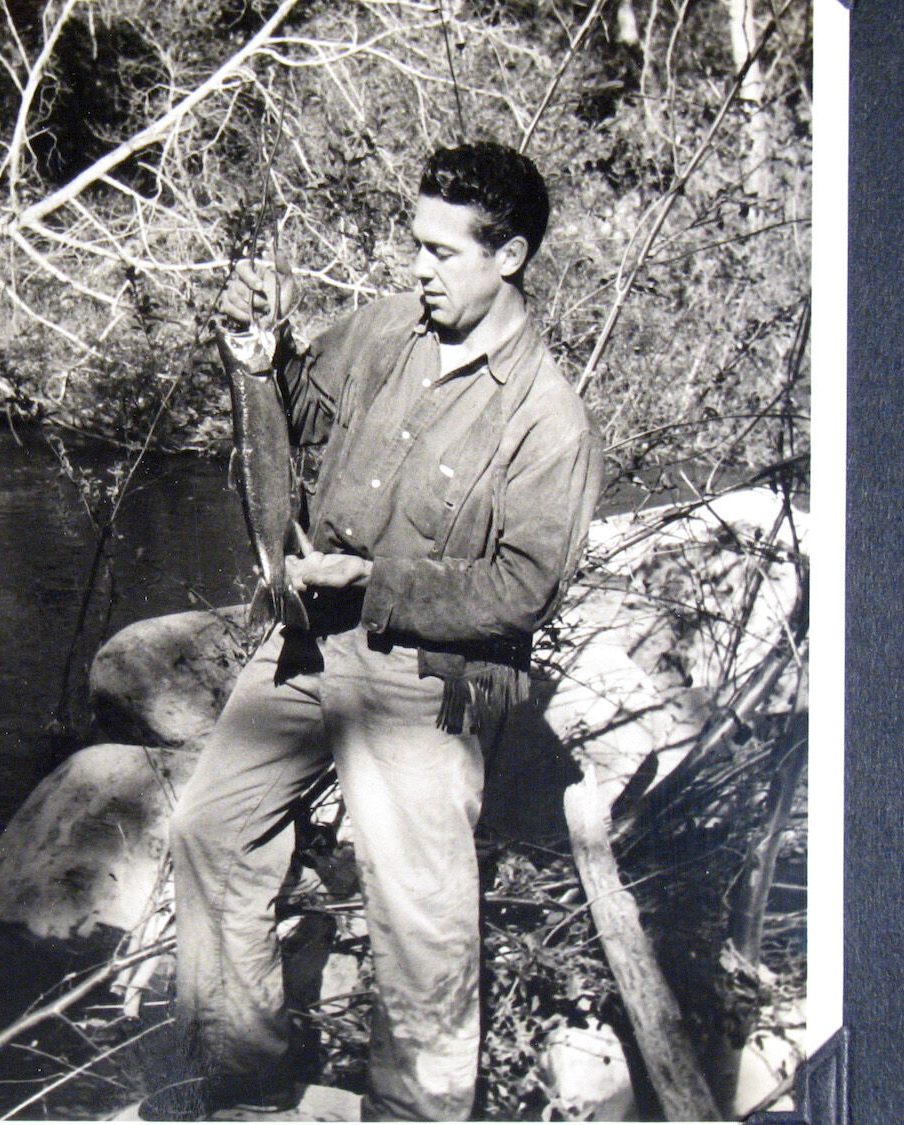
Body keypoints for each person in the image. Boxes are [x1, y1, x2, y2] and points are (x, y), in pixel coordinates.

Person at [167, 141, 605, 1121]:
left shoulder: (547, 418)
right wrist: (255, 355)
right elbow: (289, 413)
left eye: (444, 253)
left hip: (426, 679)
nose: (419, 268)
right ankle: (248, 1078)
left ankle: (421, 1110)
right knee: (210, 828)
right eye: (416, 245)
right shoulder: (384, 331)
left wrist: (378, 582)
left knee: (418, 917)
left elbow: (523, 589)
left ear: (511, 255)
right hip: (307, 637)